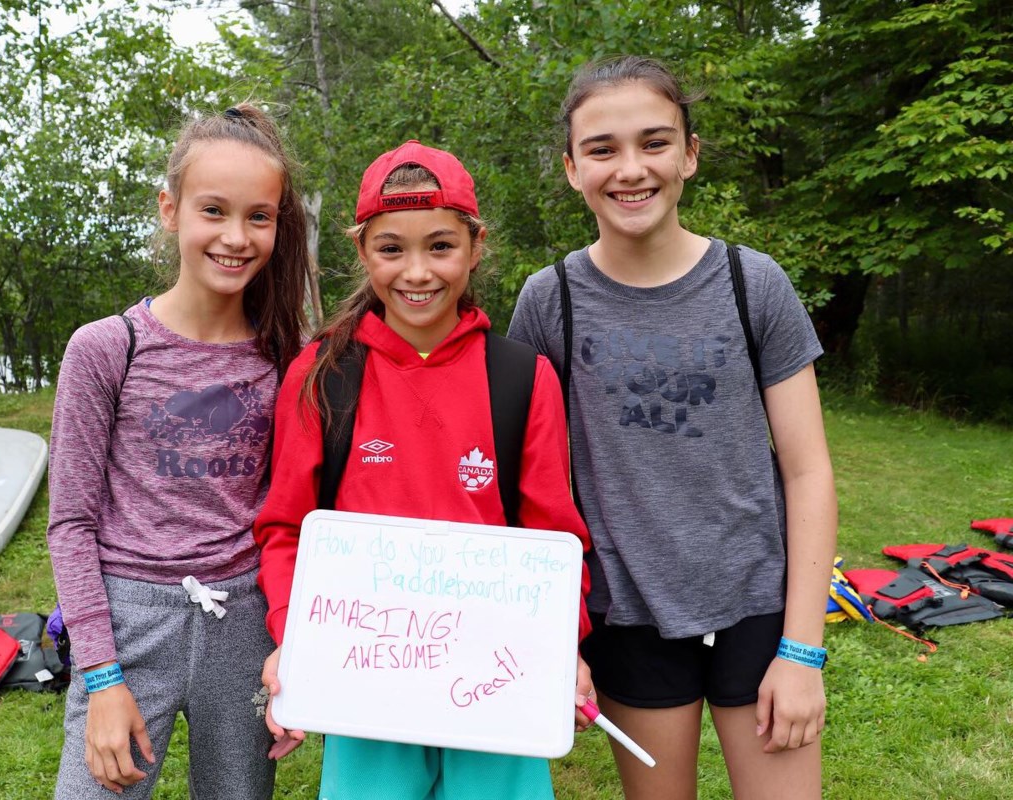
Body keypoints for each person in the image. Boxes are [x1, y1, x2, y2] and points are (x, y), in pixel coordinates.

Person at [508, 56, 837, 800]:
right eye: (602, 149)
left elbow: (808, 471)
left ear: (689, 154)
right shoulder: (547, 301)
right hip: (628, 614)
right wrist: (551, 639)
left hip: (760, 606)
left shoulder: (754, 284)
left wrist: (803, 651)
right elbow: (528, 486)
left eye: (655, 142)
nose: (631, 169)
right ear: (571, 168)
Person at [253, 140, 595, 799]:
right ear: (362, 252)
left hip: (499, 684)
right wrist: (295, 637)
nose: (417, 271)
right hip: (367, 685)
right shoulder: (322, 376)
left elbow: (557, 536)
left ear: (475, 246)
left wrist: (564, 645)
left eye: (440, 246)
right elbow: (285, 529)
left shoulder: (523, 378)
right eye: (391, 249)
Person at [46, 103, 313, 798]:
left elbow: (298, 516)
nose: (235, 236)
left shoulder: (288, 357)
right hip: (129, 629)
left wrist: (296, 651)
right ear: (171, 209)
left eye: (258, 216)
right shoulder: (106, 348)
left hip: (245, 628)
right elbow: (71, 525)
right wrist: (101, 676)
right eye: (214, 211)